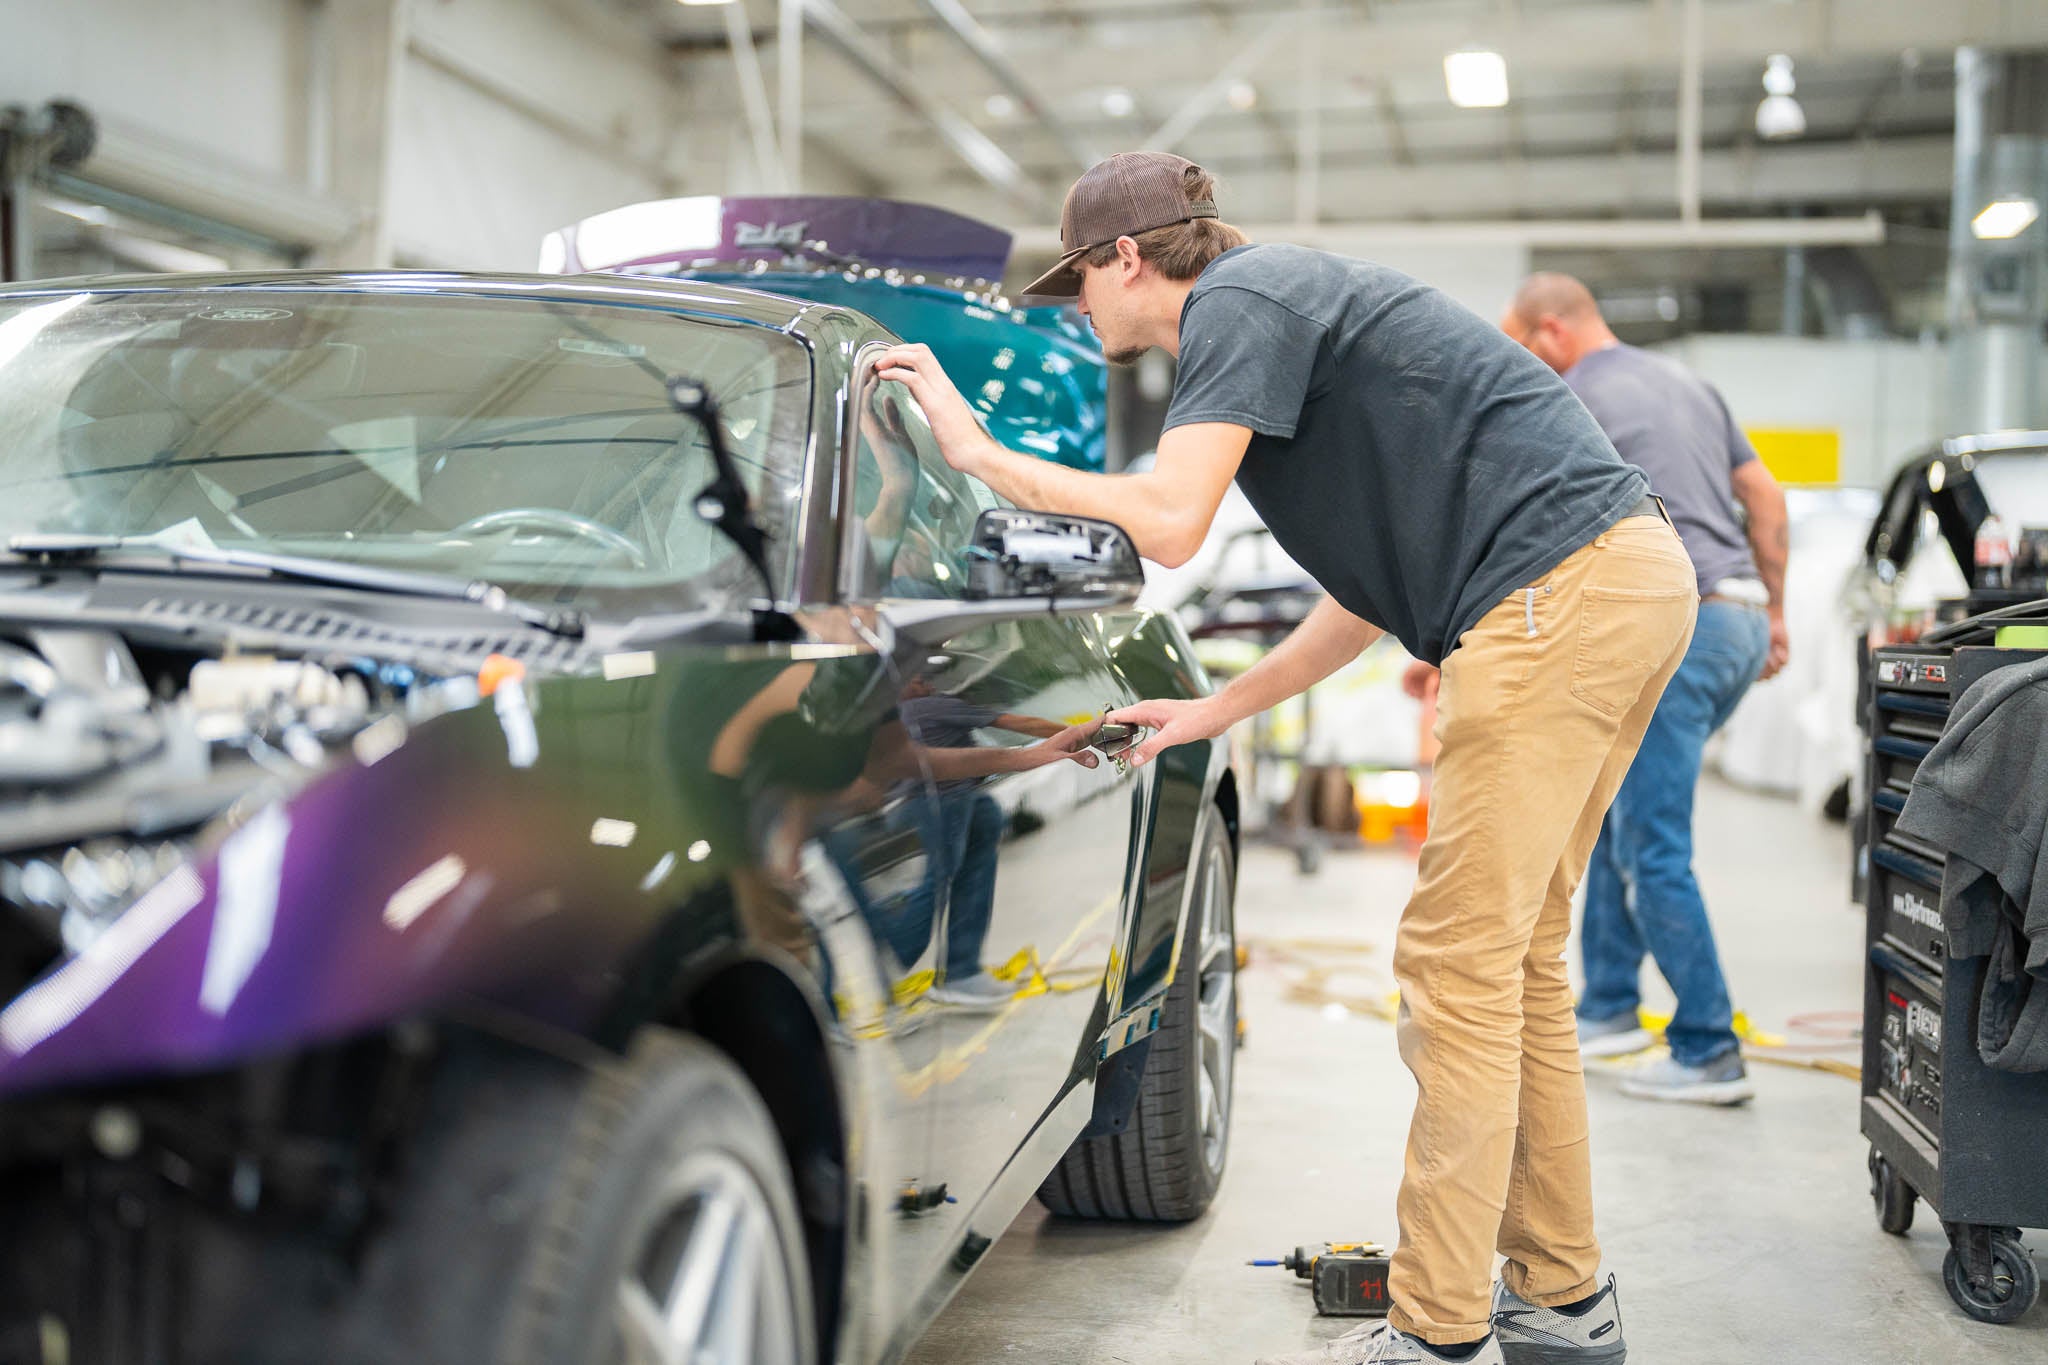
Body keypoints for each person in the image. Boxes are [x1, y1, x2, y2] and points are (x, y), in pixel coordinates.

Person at [876, 151, 1696, 1365]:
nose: (1080, 312)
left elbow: (1163, 524)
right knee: (1512, 966)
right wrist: (1215, 710)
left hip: (1549, 601)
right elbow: (1363, 600)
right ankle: (1562, 1298)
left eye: (1079, 285)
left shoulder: (1238, 305)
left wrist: (971, 451)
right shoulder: (1284, 313)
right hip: (1619, 582)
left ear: (1126, 258)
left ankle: (1436, 1331)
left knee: (1455, 969)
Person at [1499, 272, 1789, 1106]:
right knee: (1619, 813)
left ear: (1552, 332)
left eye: (1524, 348)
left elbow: (1548, 528)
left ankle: (1707, 1044)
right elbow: (1763, 499)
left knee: (1651, 845)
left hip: (1679, 624)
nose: (1526, 366)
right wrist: (1775, 614)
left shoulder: (1575, 395)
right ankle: (1610, 1006)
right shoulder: (1689, 383)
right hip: (1733, 623)